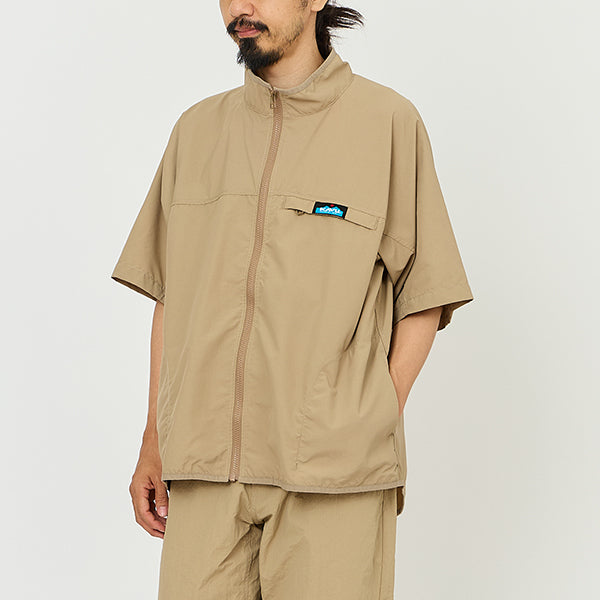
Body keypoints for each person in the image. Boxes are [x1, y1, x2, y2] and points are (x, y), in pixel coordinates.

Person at [110, 1, 474, 598]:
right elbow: (171, 295)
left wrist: (372, 415)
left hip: (332, 474)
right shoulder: (196, 131)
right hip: (203, 470)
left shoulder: (386, 122)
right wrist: (155, 439)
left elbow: (425, 293)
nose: (241, 8)